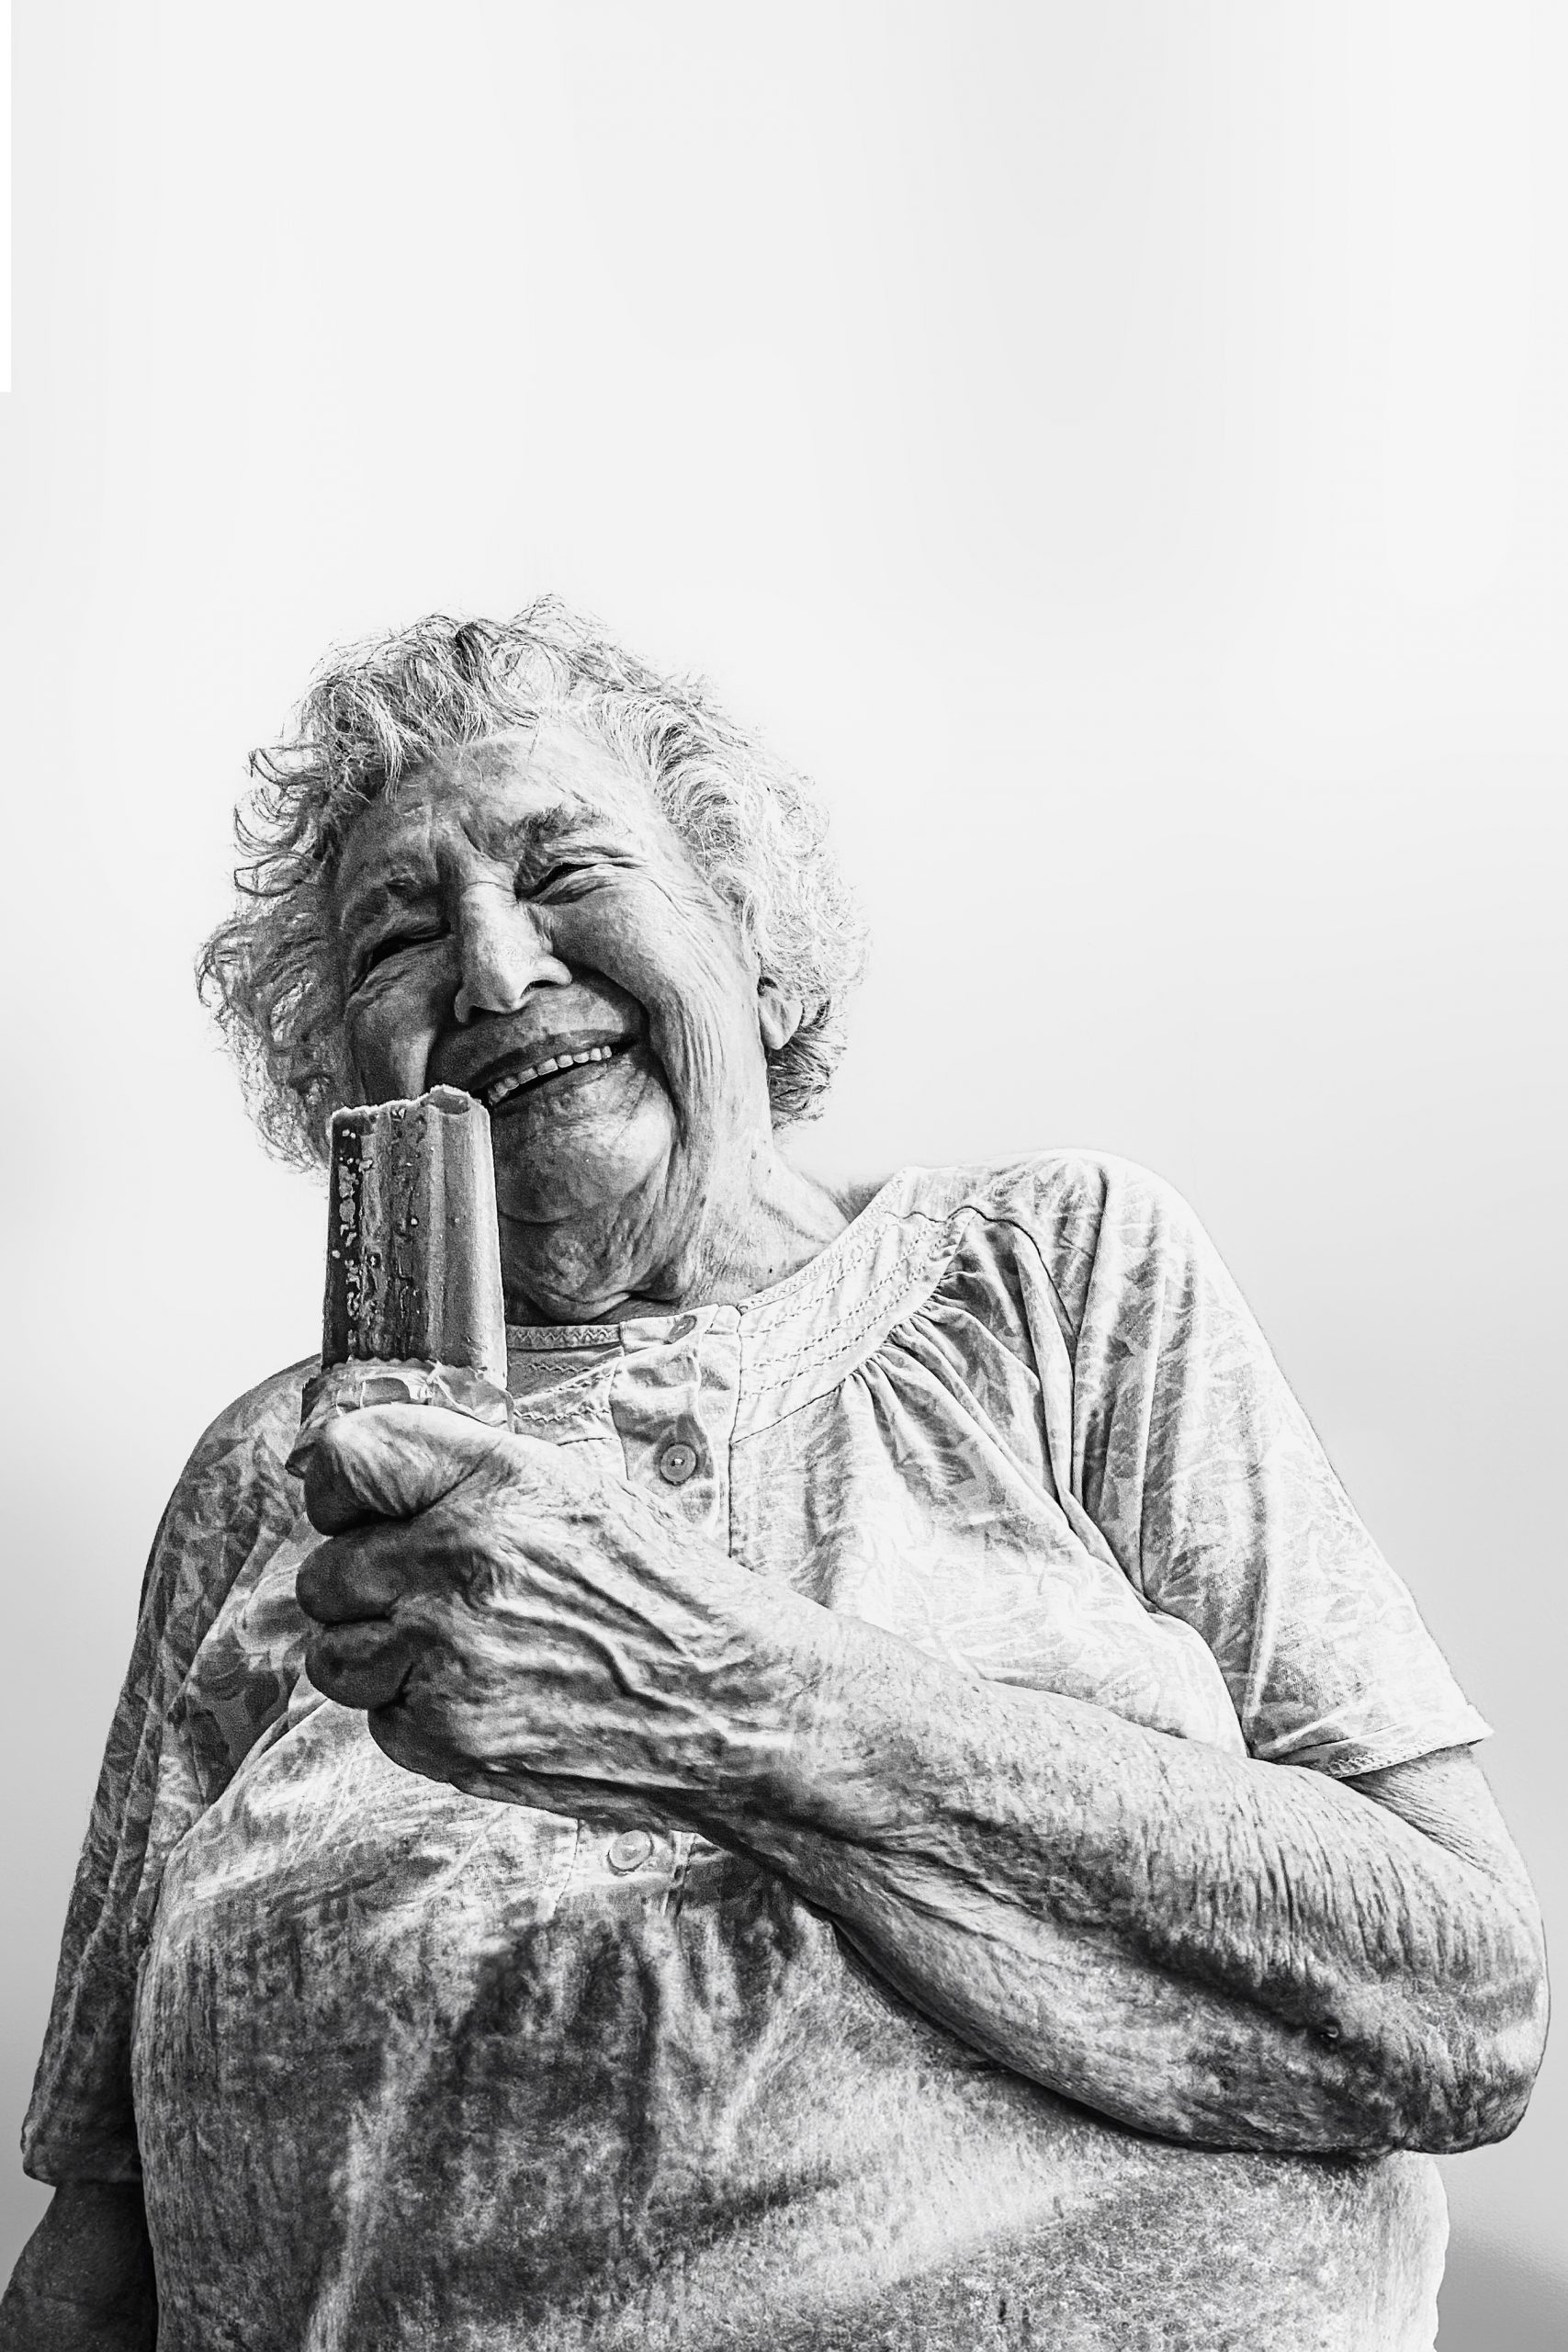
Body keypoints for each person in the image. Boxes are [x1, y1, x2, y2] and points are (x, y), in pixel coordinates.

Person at [1, 605, 1547, 2352]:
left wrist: (714, 1689)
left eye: (565, 871)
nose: (494, 973)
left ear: (747, 935)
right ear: (341, 1071)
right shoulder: (268, 1475)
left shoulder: (1056, 1269)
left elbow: (1458, 2013)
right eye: (398, 939)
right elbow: (93, 2256)